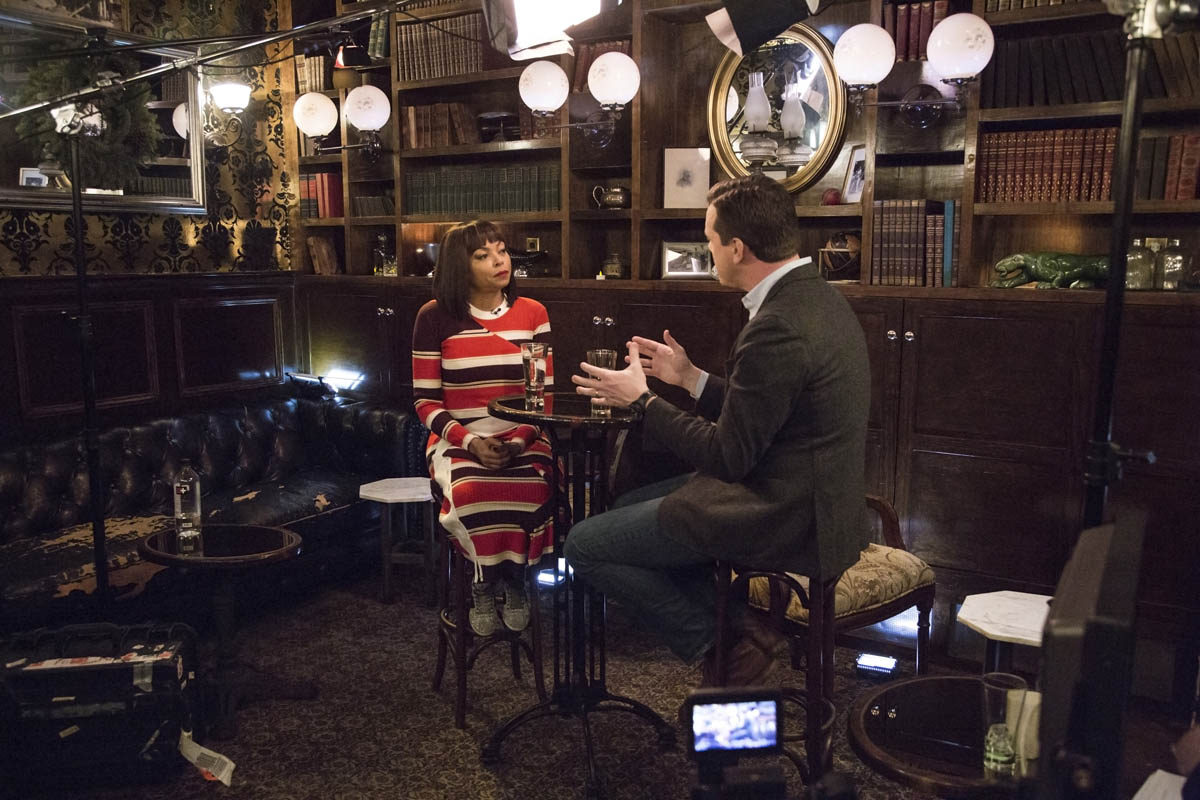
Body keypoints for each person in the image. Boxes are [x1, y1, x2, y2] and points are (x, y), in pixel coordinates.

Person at [565, 173, 871, 688]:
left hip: (788, 515)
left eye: (710, 239)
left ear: (737, 247)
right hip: (817, 500)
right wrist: (690, 378)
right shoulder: (815, 296)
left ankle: (720, 644)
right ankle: (742, 627)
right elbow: (767, 409)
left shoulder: (777, 325)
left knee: (584, 544)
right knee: (629, 506)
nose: (708, 250)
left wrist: (642, 401)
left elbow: (727, 456)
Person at [412, 220, 556, 637]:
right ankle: (482, 582)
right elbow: (425, 402)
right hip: (458, 439)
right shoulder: (433, 317)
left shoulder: (533, 313)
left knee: (534, 491)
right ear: (460, 266)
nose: (499, 260)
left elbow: (542, 397)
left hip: (525, 435)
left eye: (502, 250)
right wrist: (472, 443)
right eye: (483, 255)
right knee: (473, 493)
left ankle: (515, 581)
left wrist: (518, 441)